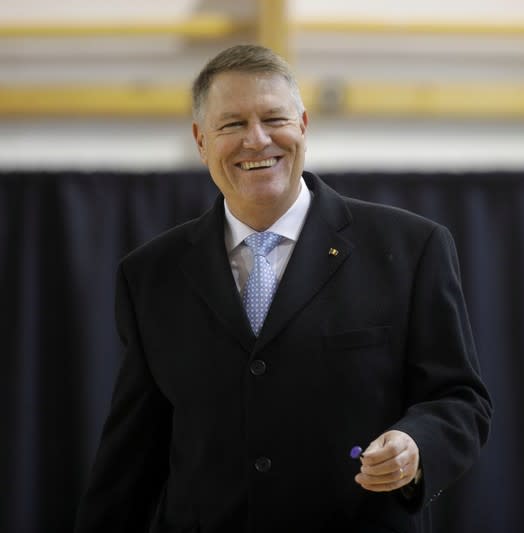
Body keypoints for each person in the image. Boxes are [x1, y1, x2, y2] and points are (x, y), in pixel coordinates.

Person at [74, 44, 492, 533]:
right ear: (201, 140)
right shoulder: (150, 275)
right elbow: (131, 457)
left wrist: (417, 444)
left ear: (304, 127)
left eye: (274, 118)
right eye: (232, 125)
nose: (257, 140)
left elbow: (460, 398)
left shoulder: (411, 247)